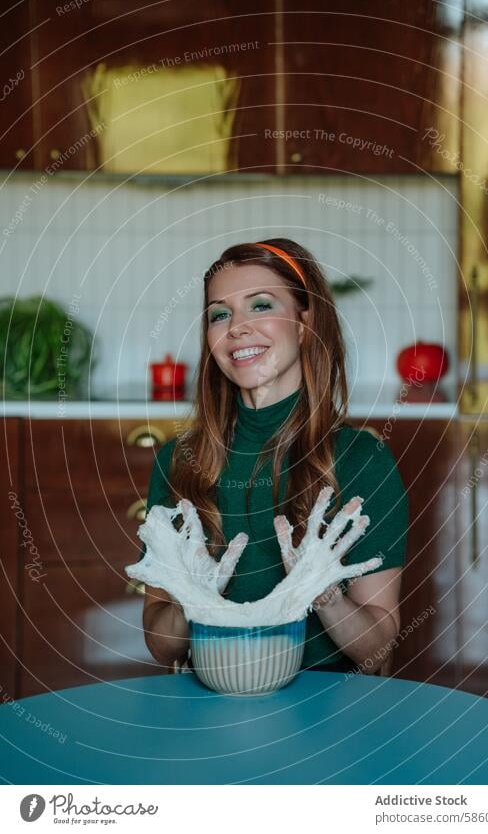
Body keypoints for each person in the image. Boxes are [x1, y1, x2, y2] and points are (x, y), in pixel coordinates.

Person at [140, 238, 408, 675]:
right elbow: (163, 649)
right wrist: (190, 595)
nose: (237, 326)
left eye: (260, 305)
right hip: (211, 720)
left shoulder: (362, 459)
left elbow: (378, 653)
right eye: (220, 314)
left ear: (304, 323)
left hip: (326, 722)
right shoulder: (179, 461)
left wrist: (325, 591)